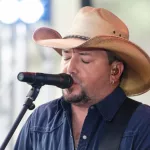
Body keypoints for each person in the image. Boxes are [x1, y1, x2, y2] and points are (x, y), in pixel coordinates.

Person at [14, 6, 150, 150]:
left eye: (85, 60)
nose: (70, 68)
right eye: (66, 57)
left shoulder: (143, 124)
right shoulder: (40, 120)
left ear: (115, 71)